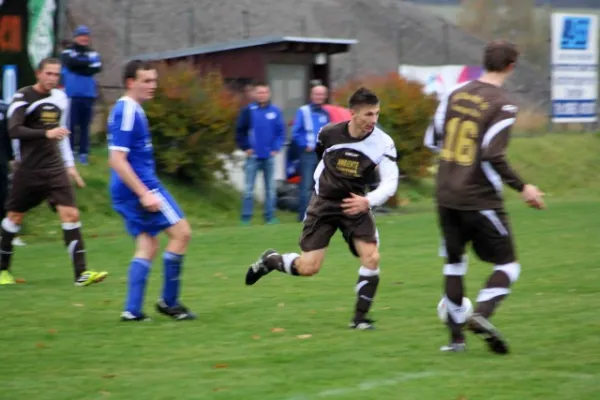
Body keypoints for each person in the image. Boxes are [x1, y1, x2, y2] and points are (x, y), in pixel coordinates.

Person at [423, 40, 545, 354]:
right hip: (478, 197)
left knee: (453, 265)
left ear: (484, 62)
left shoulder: (454, 92)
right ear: (511, 66)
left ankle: (456, 341)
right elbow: (493, 153)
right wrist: (524, 188)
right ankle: (480, 314)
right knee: (508, 264)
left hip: (445, 192)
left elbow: (432, 139)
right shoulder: (503, 104)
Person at [244, 87, 399, 330]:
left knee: (372, 257)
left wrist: (367, 201)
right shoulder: (328, 133)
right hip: (324, 204)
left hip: (355, 204)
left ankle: (360, 319)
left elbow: (391, 182)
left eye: (376, 114)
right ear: (353, 114)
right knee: (309, 268)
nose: (373, 120)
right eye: (368, 115)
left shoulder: (383, 143)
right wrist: (323, 190)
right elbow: (321, 160)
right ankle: (270, 261)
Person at [1, 57, 106, 286]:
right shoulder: (22, 98)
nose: (52, 78)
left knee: (71, 214)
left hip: (55, 167)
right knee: (14, 217)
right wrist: (44, 134)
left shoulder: (61, 99)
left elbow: (62, 136)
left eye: (56, 75)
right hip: (28, 170)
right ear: (39, 73)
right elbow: (14, 130)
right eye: (48, 73)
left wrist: (70, 166)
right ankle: (2, 270)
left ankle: (81, 274)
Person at [108, 60, 195, 322]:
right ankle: (169, 302)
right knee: (182, 234)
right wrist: (144, 193)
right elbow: (117, 160)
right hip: (140, 187)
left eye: (154, 80)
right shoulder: (127, 111)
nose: (152, 86)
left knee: (148, 243)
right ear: (130, 82)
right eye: (146, 80)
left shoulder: (133, 109)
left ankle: (132, 310)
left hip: (131, 188)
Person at [235, 82, 285, 225]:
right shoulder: (248, 111)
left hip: (269, 156)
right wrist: (246, 147)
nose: (262, 95)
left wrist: (276, 147)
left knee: (270, 189)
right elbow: (240, 132)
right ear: (255, 94)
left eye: (264, 92)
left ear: (268, 94)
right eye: (259, 92)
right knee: (248, 190)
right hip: (253, 157)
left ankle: (270, 217)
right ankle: (246, 218)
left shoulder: (275, 111)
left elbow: (280, 132)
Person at [60, 25, 102, 165]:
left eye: (86, 36)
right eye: (81, 35)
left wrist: (79, 66)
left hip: (88, 94)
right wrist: (86, 65)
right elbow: (70, 63)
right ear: (76, 37)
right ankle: (70, 152)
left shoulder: (93, 53)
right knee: (71, 125)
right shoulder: (68, 52)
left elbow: (97, 68)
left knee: (85, 126)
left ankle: (83, 153)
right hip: (72, 94)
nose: (84, 38)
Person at [291, 85, 331, 221]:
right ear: (311, 95)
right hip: (308, 154)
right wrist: (305, 145)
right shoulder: (303, 111)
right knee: (306, 186)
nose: (319, 97)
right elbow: (295, 132)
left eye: (321, 94)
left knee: (321, 186)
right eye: (316, 94)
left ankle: (318, 215)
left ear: (325, 96)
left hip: (322, 155)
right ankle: (303, 216)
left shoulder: (325, 113)